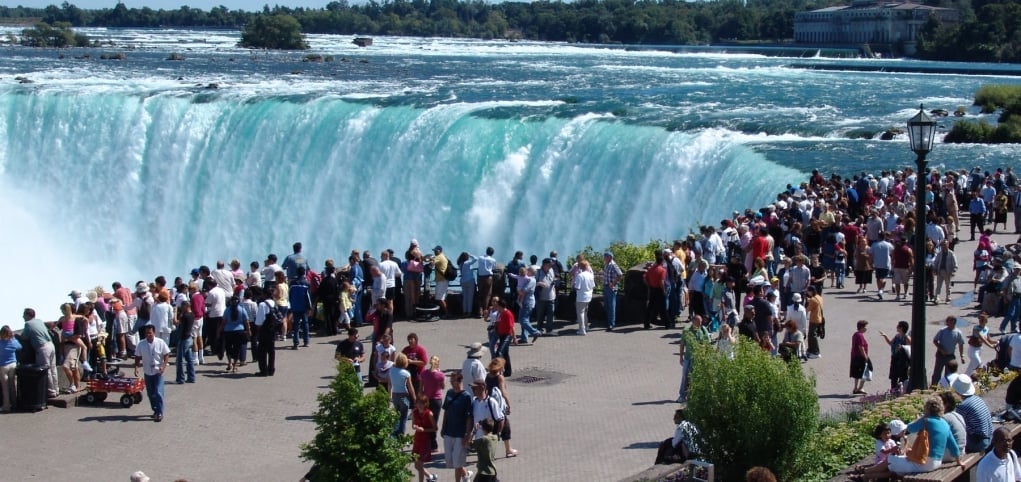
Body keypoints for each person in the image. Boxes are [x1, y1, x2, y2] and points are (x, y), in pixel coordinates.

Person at [869, 396, 964, 477]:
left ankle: (866, 472)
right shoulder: (945, 424)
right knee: (896, 466)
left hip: (923, 463)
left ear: (927, 408)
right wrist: (959, 462)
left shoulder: (926, 420)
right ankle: (867, 475)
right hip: (937, 463)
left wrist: (920, 419)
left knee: (890, 460)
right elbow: (953, 446)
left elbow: (910, 428)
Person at [441, 371, 474, 482]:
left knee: (457, 461)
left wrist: (467, 434)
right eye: (451, 380)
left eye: (453, 381)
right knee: (450, 460)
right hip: (448, 431)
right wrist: (443, 427)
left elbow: (469, 417)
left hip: (460, 433)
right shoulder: (449, 393)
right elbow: (446, 411)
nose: (451, 383)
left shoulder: (466, 396)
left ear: (460, 381)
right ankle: (466, 474)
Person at [134, 324, 170, 422]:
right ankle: (155, 410)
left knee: (158, 392)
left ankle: (160, 412)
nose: (148, 335)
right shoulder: (141, 344)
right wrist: (136, 367)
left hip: (158, 372)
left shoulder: (160, 342)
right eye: (146, 333)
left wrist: (163, 366)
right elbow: (137, 356)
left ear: (154, 333)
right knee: (150, 394)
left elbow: (166, 354)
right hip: (147, 372)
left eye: (150, 333)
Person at [21, 308, 58, 398]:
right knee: (53, 368)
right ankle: (56, 389)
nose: (23, 317)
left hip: (42, 347)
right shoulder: (39, 321)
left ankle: (51, 392)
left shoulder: (28, 324)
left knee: (45, 370)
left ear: (28, 315)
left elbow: (24, 337)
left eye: (24, 315)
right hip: (50, 345)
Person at [485, 358, 518, 458]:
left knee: (491, 427)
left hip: (490, 405)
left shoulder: (488, 376)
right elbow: (503, 392)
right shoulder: (499, 377)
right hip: (499, 406)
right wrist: (508, 404)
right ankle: (508, 450)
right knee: (505, 427)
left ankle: (488, 450)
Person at [953, 374, 993, 453]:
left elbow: (957, 425)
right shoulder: (978, 399)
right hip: (990, 438)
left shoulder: (963, 406)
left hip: (979, 443)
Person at [678, 315, 709, 403]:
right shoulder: (687, 331)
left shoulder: (703, 330)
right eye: (698, 322)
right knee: (685, 377)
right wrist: (681, 357)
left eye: (701, 321)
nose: (700, 323)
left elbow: (707, 344)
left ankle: (694, 396)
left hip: (699, 358)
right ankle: (682, 396)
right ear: (693, 321)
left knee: (696, 377)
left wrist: (704, 354)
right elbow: (682, 344)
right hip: (688, 358)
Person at [219, 295, 251, 373]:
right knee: (237, 349)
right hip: (239, 331)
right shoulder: (242, 309)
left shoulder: (227, 310)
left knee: (228, 348)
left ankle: (229, 363)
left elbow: (223, 322)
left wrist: (219, 331)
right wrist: (248, 331)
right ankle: (234, 366)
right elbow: (246, 322)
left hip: (228, 331)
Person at [932, 316, 966, 387]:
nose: (947, 322)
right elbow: (935, 341)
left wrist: (962, 356)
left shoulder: (958, 333)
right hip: (940, 355)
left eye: (948, 321)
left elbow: (961, 344)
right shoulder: (942, 331)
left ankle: (946, 388)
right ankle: (933, 387)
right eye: (947, 321)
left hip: (950, 356)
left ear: (953, 322)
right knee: (937, 373)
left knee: (949, 375)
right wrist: (941, 349)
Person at [420, 355, 445, 451]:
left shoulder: (424, 373)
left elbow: (420, 388)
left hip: (427, 400)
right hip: (437, 400)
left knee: (427, 421)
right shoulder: (440, 375)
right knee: (434, 421)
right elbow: (442, 387)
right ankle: (433, 443)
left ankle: (428, 442)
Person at [411, 394, 439, 482]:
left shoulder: (429, 414)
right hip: (417, 439)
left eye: (422, 403)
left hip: (425, 441)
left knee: (419, 464)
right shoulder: (414, 412)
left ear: (426, 404)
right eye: (418, 403)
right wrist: (415, 427)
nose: (419, 405)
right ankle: (431, 476)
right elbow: (413, 425)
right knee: (416, 465)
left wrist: (424, 430)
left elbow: (435, 428)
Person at [879, 321, 912, 393]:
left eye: (898, 326)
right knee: (893, 377)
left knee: (902, 378)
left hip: (903, 360)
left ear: (901, 328)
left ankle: (902, 391)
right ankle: (893, 391)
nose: (896, 327)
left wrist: (902, 347)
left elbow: (910, 349)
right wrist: (885, 336)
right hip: (894, 358)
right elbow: (891, 343)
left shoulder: (907, 338)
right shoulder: (897, 336)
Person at [390, 352, 416, 437]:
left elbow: (389, 384)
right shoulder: (406, 373)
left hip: (394, 394)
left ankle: (395, 432)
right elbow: (410, 388)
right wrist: (414, 398)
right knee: (403, 416)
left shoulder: (391, 371)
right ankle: (401, 434)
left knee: (397, 415)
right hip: (404, 395)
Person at [174, 301, 196, 384]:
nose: (181, 308)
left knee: (179, 360)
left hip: (184, 339)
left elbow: (176, 322)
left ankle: (180, 379)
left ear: (187, 306)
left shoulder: (185, 316)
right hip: (189, 338)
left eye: (182, 307)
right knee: (189, 359)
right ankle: (191, 377)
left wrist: (175, 313)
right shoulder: (192, 315)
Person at [492, 299, 515, 377]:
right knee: (505, 353)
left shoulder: (508, 314)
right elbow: (500, 322)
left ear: (500, 306)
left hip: (507, 336)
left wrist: (514, 337)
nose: (497, 308)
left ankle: (499, 369)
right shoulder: (501, 313)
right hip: (501, 335)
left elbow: (511, 326)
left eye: (498, 306)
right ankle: (508, 371)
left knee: (499, 352)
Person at [0, 326, 20, 412]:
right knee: (12, 385)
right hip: (13, 364)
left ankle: (6, 406)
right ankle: (15, 404)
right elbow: (20, 347)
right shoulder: (13, 341)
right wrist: (13, 338)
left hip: (3, 366)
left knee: (5, 387)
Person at [573, 260, 596, 335]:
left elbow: (577, 287)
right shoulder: (590, 275)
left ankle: (581, 329)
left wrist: (574, 285)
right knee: (585, 312)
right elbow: (593, 286)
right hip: (589, 296)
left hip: (581, 297)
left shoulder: (580, 276)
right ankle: (586, 326)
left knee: (580, 313)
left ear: (580, 267)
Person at [602, 251, 624, 330]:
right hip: (606, 287)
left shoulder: (613, 265)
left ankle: (611, 324)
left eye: (605, 256)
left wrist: (613, 284)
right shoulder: (607, 264)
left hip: (611, 288)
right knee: (607, 305)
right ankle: (609, 321)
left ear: (610, 257)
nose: (604, 258)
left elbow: (620, 274)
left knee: (611, 306)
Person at [851, 320, 872, 395]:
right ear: (862, 327)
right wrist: (866, 358)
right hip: (860, 357)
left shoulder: (855, 334)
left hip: (855, 356)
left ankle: (855, 388)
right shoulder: (860, 335)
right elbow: (861, 347)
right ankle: (860, 388)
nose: (866, 328)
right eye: (865, 327)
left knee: (857, 373)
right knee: (867, 370)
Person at [805, 286, 824, 359]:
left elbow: (808, 309)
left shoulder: (813, 300)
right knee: (811, 335)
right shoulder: (819, 297)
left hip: (814, 319)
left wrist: (808, 302)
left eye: (808, 291)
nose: (807, 293)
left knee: (812, 335)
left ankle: (816, 351)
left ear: (811, 291)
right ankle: (811, 350)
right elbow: (816, 304)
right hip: (819, 318)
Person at [432, 246, 450, 317]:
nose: (434, 251)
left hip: (441, 280)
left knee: (440, 298)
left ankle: (446, 313)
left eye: (436, 250)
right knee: (441, 297)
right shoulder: (444, 256)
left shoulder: (439, 257)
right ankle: (443, 313)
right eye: (434, 250)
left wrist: (423, 258)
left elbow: (432, 262)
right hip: (444, 280)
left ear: (439, 251)